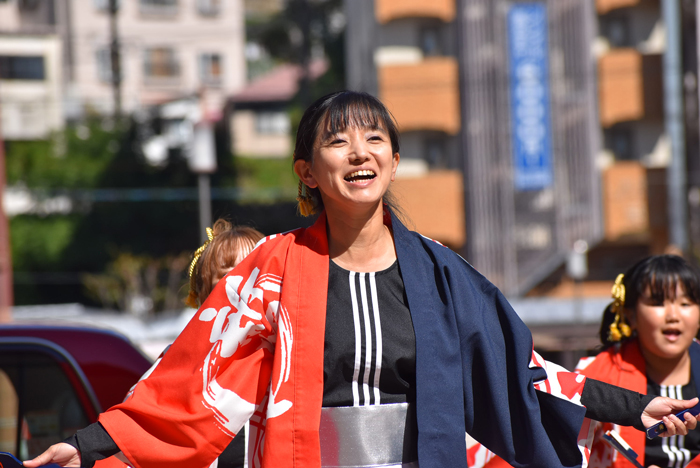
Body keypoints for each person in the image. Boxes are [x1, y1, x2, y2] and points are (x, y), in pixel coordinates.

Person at [25, 91, 700, 468]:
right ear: (306, 171)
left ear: (396, 160)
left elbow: (518, 372)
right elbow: (190, 383)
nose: (359, 153)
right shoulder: (270, 270)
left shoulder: (441, 272)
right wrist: (88, 445)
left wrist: (623, 406)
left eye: (375, 139)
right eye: (338, 141)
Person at [97, 219, 264, 468]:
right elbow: (140, 420)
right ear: (205, 293)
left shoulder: (288, 352)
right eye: (229, 274)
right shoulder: (180, 357)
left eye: (254, 271)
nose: (242, 283)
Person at [576, 255, 700, 467]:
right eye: (658, 302)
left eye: (686, 303)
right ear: (630, 315)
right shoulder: (594, 373)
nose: (673, 315)